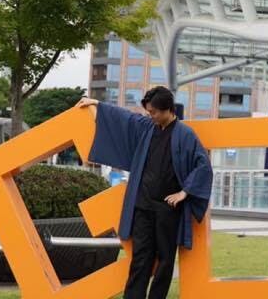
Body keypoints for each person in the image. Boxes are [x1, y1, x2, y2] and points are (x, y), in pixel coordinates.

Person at [75, 86, 213, 299]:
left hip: (168, 208)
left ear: (168, 109)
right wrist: (97, 104)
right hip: (143, 206)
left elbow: (203, 165)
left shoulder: (185, 135)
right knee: (140, 257)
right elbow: (125, 118)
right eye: (149, 112)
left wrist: (185, 192)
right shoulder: (147, 127)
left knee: (165, 259)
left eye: (154, 112)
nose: (151, 115)